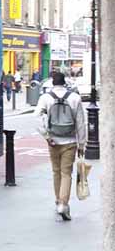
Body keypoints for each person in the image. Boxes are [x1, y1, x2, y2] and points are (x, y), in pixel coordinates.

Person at [34, 71, 86, 221]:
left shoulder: (46, 98)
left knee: (56, 172)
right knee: (66, 174)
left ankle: (58, 201)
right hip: (70, 142)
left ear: (52, 83)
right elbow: (81, 123)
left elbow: (36, 118)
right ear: (65, 82)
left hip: (53, 142)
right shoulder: (75, 98)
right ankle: (64, 204)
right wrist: (81, 144)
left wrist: (47, 136)